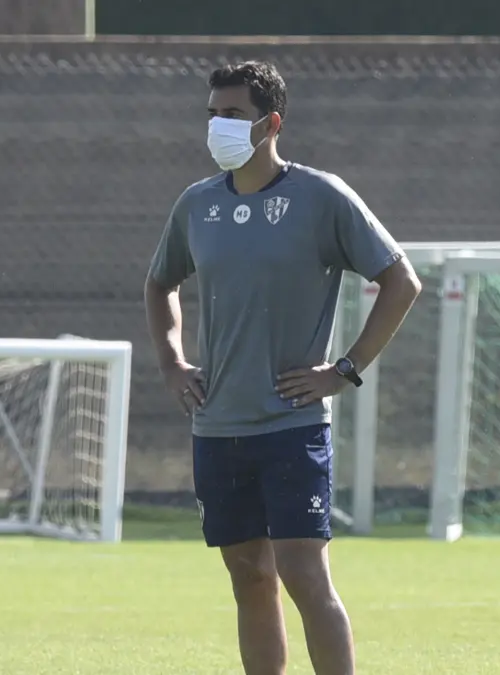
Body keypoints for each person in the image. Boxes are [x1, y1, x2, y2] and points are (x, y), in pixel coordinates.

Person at [143, 61, 422, 675]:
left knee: (303, 572)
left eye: (233, 115)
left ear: (270, 124)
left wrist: (345, 368)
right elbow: (160, 282)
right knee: (248, 576)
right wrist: (172, 363)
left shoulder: (320, 196)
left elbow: (401, 280)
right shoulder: (197, 204)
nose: (218, 126)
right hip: (217, 426)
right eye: (213, 114)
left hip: (291, 425)